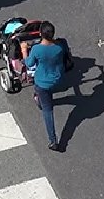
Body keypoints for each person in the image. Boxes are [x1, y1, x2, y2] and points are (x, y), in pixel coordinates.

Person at [20, 21, 68, 152]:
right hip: (58, 80)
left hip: (42, 83)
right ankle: (39, 98)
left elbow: (29, 63)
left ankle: (53, 140)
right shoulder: (59, 47)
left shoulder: (37, 49)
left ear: (41, 34)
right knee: (46, 96)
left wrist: (24, 50)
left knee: (47, 110)